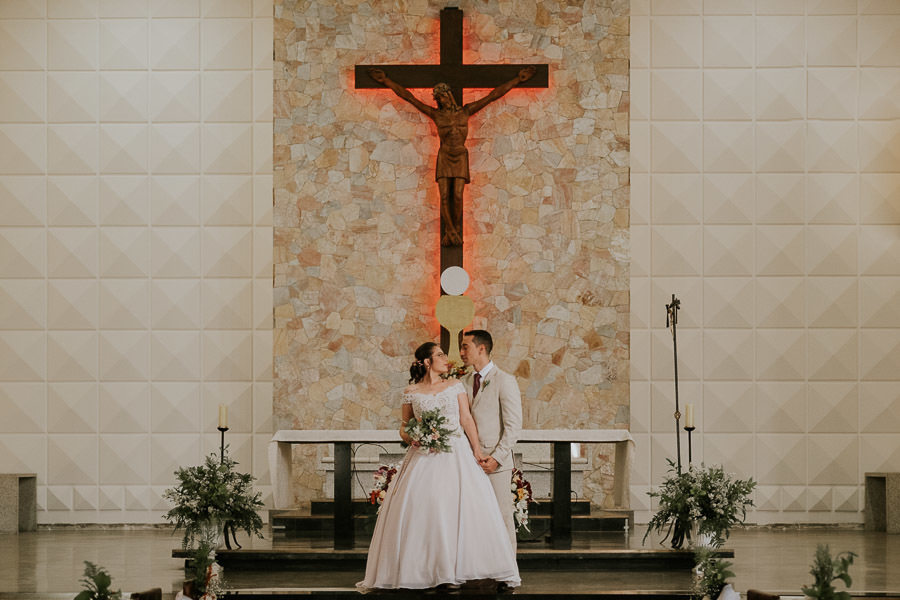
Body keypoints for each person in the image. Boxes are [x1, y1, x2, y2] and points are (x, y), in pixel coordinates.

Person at [358, 342, 520, 590]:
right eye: (440, 355)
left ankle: (458, 569)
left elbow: (466, 420)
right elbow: (404, 426)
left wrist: (477, 450)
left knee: (456, 508)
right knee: (425, 509)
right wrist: (414, 438)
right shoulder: (411, 391)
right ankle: (424, 570)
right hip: (423, 456)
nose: (447, 359)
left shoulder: (455, 385)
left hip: (456, 454)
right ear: (427, 362)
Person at [368, 66, 536, 246]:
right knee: (443, 195)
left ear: (450, 95)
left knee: (457, 195)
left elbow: (492, 96)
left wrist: (517, 80)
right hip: (445, 155)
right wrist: (386, 81)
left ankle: (453, 229)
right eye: (440, 98)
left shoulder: (465, 111)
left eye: (445, 96)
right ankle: (451, 230)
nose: (444, 100)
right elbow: (409, 98)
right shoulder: (436, 114)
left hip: (460, 155)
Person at [459, 329, 523, 550]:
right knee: (472, 517)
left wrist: (496, 458)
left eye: (465, 347)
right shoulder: (463, 382)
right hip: (468, 461)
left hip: (494, 463)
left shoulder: (504, 380)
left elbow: (513, 427)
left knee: (501, 517)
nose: (461, 353)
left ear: (481, 348)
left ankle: (508, 566)